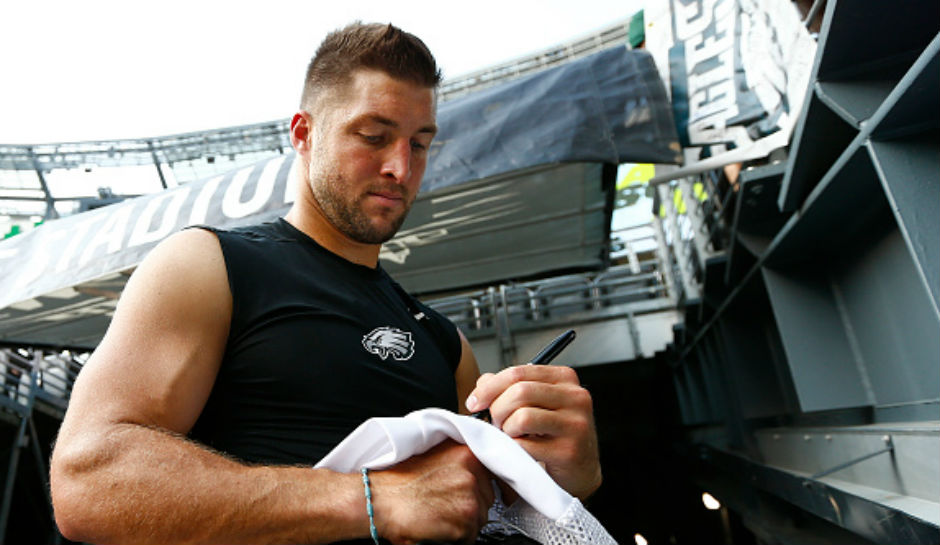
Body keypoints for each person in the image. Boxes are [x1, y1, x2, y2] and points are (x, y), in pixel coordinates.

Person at [49, 22, 601, 545]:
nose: (400, 169)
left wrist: (562, 476)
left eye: (419, 143)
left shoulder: (444, 343)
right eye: (374, 136)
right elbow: (89, 479)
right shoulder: (210, 264)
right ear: (304, 133)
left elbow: (469, 509)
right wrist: (372, 501)